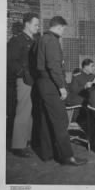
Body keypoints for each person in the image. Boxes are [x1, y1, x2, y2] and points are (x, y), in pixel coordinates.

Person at [36, 16, 87, 166]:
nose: (63, 32)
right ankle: (67, 157)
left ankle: (47, 154)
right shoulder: (52, 40)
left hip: (42, 84)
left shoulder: (41, 39)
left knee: (46, 120)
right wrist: (61, 87)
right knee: (61, 120)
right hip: (52, 85)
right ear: (58, 27)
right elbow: (53, 66)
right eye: (63, 29)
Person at [7, 12, 39, 157]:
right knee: (23, 112)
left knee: (31, 112)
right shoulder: (17, 40)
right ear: (26, 24)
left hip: (36, 80)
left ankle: (27, 140)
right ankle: (18, 146)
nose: (38, 27)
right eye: (35, 24)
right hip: (24, 81)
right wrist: (23, 73)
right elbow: (10, 61)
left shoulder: (35, 40)